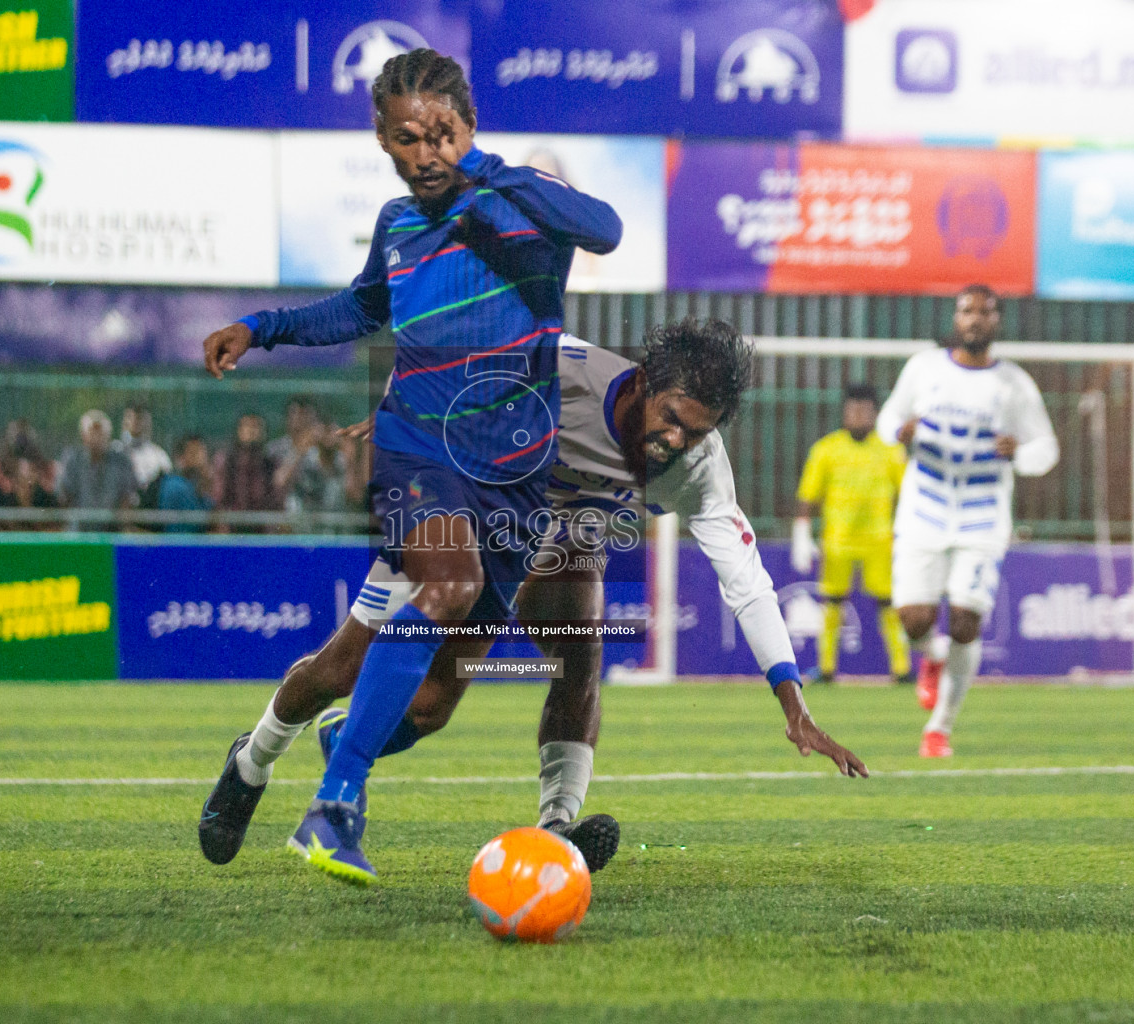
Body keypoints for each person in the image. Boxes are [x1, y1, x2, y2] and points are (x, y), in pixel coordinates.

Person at [198, 324, 866, 876]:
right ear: (643, 382)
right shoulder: (558, 371)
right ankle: (254, 758)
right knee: (341, 667)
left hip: (548, 542)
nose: (676, 442)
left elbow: (745, 579)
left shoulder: (696, 465)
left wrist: (794, 704)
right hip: (456, 504)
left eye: (697, 432)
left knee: (492, 684)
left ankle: (557, 829)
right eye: (672, 421)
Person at [200, 47, 621, 884]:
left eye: (441, 134)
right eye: (405, 139)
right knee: (446, 585)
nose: (424, 153)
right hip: (416, 448)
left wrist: (485, 167)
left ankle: (259, 757)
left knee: (430, 704)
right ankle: (335, 803)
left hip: (514, 474)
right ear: (383, 143)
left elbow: (605, 229)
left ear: (469, 129)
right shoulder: (397, 224)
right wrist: (263, 326)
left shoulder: (525, 208)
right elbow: (361, 308)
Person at [876, 284, 1058, 758]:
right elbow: (888, 417)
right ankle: (932, 660)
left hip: (982, 517)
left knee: (964, 621)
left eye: (985, 312)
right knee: (914, 620)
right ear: (956, 318)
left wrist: (1020, 452)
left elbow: (1046, 448)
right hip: (923, 510)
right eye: (967, 311)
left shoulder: (1013, 384)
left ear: (997, 321)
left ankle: (940, 728)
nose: (975, 319)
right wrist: (899, 430)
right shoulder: (925, 368)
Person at [792, 384, 911, 685]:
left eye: (864, 410)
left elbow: (909, 493)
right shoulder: (826, 449)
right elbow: (808, 494)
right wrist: (802, 531)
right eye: (853, 409)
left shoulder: (891, 451)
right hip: (837, 541)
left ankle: (902, 668)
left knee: (888, 602)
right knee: (832, 601)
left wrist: (909, 533)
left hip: (880, 541)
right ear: (844, 413)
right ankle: (827, 668)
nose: (858, 416)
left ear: (874, 414)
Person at [57, 410, 136, 530]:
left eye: (101, 432)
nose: (96, 437)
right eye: (92, 432)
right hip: (79, 530)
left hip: (112, 530)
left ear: (108, 434)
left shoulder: (122, 461)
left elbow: (127, 498)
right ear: (83, 435)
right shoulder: (73, 459)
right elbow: (65, 495)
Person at [215, 413, 280, 531]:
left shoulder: (270, 464)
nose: (252, 431)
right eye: (247, 426)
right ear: (238, 431)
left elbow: (275, 500)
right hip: (232, 527)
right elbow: (220, 501)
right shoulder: (226, 462)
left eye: (256, 427)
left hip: (262, 529)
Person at [157, 434, 214, 534]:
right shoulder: (175, 485)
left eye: (203, 454)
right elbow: (194, 524)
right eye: (194, 454)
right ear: (180, 458)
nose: (201, 460)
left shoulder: (199, 485)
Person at [120, 404, 172, 497]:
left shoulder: (159, 456)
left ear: (149, 422)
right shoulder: (114, 450)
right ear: (124, 421)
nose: (135, 422)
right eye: (130, 417)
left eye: (140, 418)